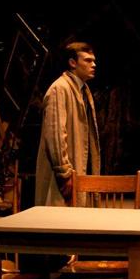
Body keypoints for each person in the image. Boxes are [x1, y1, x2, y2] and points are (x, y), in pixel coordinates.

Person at [35, 41, 100, 207]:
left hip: (79, 173)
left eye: (94, 60)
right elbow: (56, 134)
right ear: (72, 63)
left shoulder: (83, 90)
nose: (94, 64)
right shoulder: (60, 88)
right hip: (64, 177)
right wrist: (64, 173)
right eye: (87, 60)